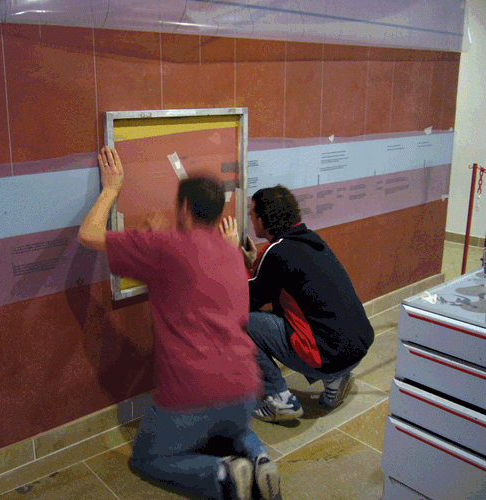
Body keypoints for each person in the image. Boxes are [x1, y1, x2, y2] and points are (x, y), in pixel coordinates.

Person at [77, 146, 282, 500]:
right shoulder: (231, 254)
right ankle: (258, 457)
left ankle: (222, 475)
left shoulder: (163, 247)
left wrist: (111, 188)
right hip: (244, 387)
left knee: (147, 458)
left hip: (190, 392)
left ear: (184, 208)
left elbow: (88, 234)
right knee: (231, 432)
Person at [219, 185, 375, 422]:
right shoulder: (310, 240)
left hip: (327, 355)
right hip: (354, 349)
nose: (250, 219)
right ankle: (335, 380)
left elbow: (245, 301)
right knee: (290, 317)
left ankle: (279, 399)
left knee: (241, 323)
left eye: (251, 214)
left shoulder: (277, 251)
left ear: (262, 219)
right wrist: (253, 264)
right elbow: (273, 282)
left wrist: (230, 254)